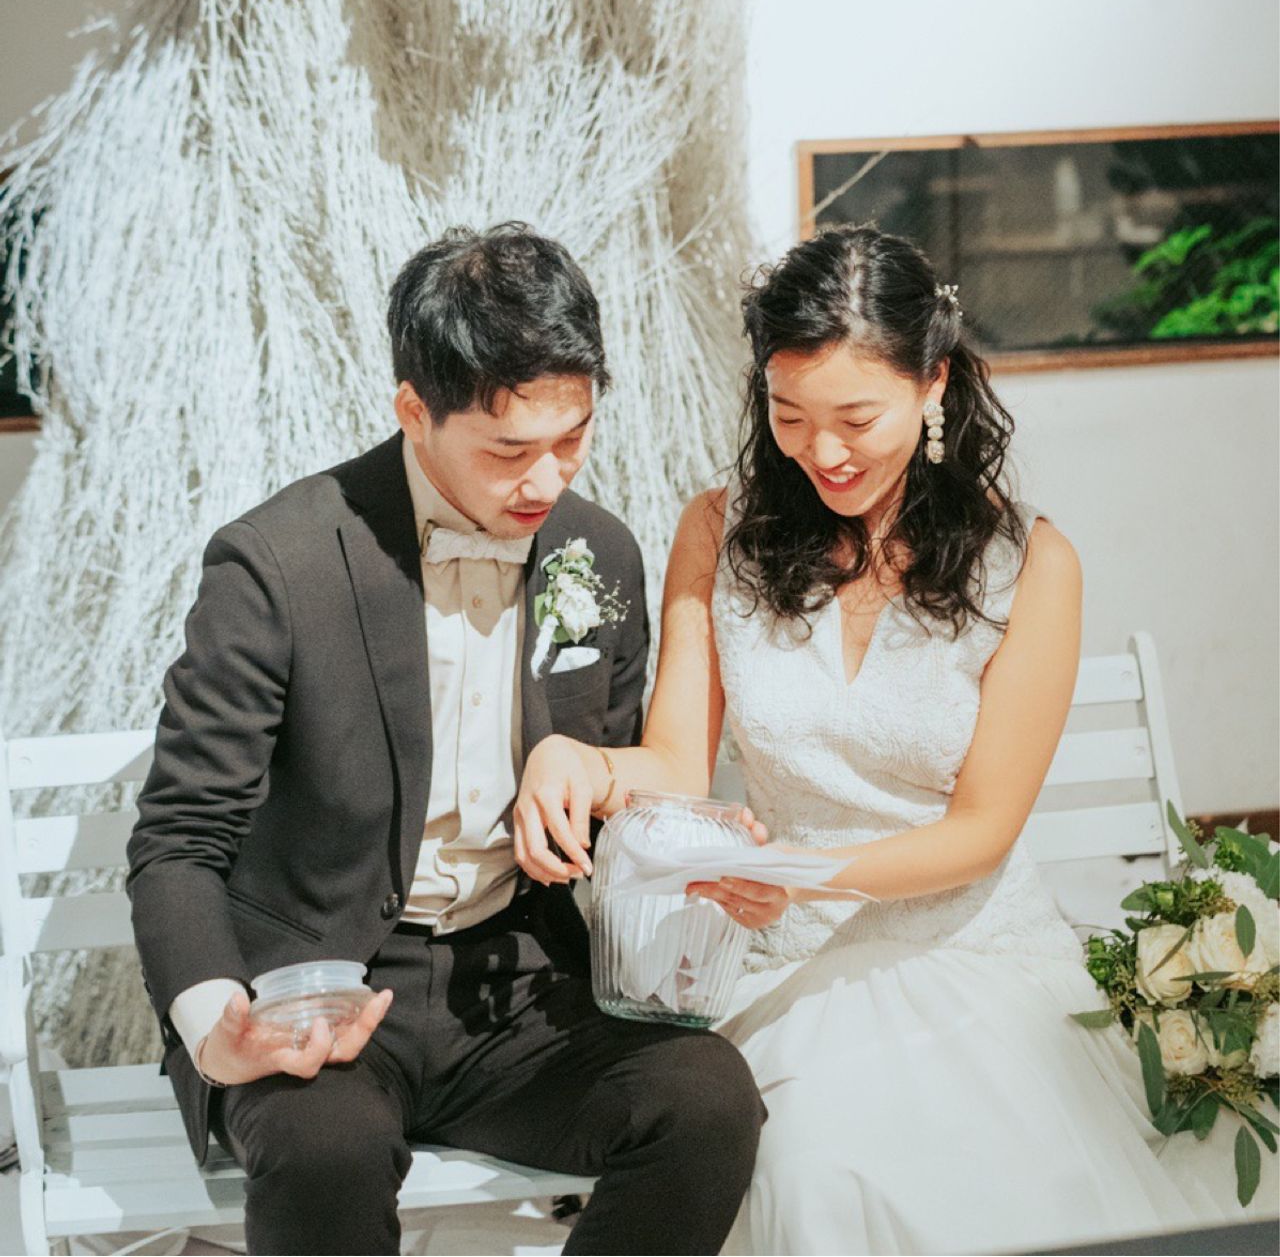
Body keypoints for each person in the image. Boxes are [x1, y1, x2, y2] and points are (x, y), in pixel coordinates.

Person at [516, 223, 1249, 1254]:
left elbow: (982, 830)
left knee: (980, 1167)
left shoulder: (1031, 564)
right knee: (816, 1164)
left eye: (856, 418)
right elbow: (676, 764)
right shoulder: (716, 533)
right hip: (782, 969)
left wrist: (796, 873)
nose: (822, 452)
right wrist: (582, 763)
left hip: (970, 955)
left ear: (932, 383)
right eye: (789, 415)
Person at [126, 222, 764, 1257]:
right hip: (320, 987)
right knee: (325, 1152)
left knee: (707, 1103)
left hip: (522, 985)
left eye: (572, 438)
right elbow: (178, 841)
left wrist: (706, 863)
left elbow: (607, 812)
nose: (546, 480)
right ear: (414, 412)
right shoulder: (278, 562)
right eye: (509, 450)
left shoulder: (596, 552)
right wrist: (216, 1025)